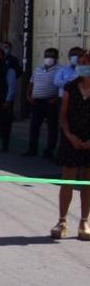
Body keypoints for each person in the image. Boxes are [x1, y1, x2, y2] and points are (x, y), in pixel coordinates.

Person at [52, 52, 90, 240]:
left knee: (87, 183)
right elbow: (63, 116)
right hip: (71, 139)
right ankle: (62, 221)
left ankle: (84, 221)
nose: (83, 66)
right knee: (67, 181)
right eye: (81, 63)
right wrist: (70, 136)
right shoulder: (71, 87)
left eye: (86, 63)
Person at [27, 48, 62, 158]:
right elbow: (31, 82)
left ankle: (49, 151)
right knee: (34, 126)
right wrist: (28, 95)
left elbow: (62, 87)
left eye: (51, 56)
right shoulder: (38, 68)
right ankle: (32, 149)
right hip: (37, 102)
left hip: (50, 102)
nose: (49, 58)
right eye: (47, 55)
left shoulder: (60, 70)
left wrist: (56, 98)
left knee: (52, 127)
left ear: (56, 57)